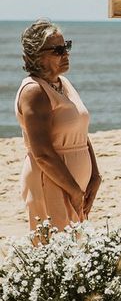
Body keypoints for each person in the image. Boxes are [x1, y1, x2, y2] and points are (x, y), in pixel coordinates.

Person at [15, 19, 101, 232]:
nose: (66, 54)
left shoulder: (64, 84)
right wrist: (73, 191)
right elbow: (42, 153)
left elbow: (80, 132)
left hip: (75, 185)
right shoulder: (34, 92)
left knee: (75, 253)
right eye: (58, 50)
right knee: (56, 255)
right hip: (52, 182)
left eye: (67, 47)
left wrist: (95, 176)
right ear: (36, 56)